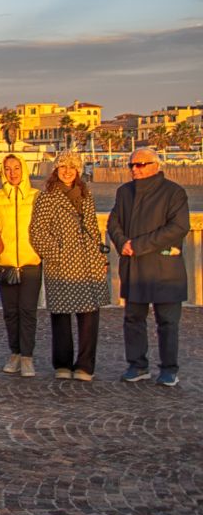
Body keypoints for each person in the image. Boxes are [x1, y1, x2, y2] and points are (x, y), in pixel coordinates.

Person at [109, 148, 190, 387]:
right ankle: (137, 365)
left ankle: (169, 369)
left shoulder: (174, 192)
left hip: (165, 270)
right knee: (133, 318)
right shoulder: (124, 192)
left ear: (155, 165)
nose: (135, 169)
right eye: (132, 165)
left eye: (140, 164)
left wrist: (139, 245)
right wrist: (122, 242)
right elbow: (113, 221)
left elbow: (178, 227)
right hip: (134, 267)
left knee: (167, 322)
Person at [29, 152, 110, 381]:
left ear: (78, 171)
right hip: (61, 265)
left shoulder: (86, 195)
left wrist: (100, 256)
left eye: (72, 168)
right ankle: (62, 364)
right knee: (61, 317)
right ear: (56, 170)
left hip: (88, 262)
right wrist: (57, 253)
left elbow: (93, 228)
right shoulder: (47, 197)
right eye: (63, 167)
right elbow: (38, 232)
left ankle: (85, 365)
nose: (67, 171)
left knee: (89, 316)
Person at [0, 154, 42, 378]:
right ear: (2, 172)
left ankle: (27, 356)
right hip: (5, 263)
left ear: (24, 170)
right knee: (10, 312)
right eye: (8, 169)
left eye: (16, 168)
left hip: (31, 262)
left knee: (28, 311)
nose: (13, 172)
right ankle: (15, 353)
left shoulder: (37, 197)